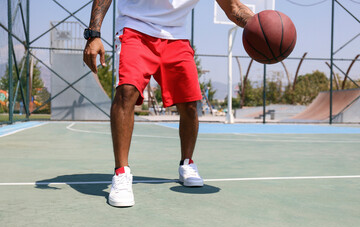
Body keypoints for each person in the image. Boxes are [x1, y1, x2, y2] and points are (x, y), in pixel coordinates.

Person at [83, 0, 254, 207]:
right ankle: (121, 173)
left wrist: (261, 25)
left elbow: (234, 8)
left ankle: (187, 164)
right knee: (126, 92)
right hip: (135, 28)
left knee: (190, 104)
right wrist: (94, 34)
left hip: (176, 36)